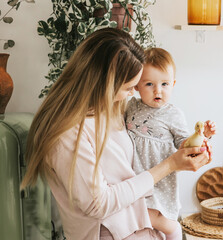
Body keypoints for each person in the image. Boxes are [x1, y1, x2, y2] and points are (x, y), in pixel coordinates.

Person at [20, 28, 211, 240]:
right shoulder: (67, 133)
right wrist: (169, 165)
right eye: (129, 87)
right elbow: (98, 204)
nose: (132, 93)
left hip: (144, 226)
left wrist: (192, 146)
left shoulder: (109, 108)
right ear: (103, 83)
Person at [125, 47, 216, 240]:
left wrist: (202, 135)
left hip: (159, 177)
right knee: (134, 212)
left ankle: (173, 230)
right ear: (136, 86)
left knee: (156, 214)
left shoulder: (173, 114)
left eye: (165, 84)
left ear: (173, 84)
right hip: (135, 175)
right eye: (149, 84)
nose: (158, 90)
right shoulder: (130, 106)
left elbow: (185, 144)